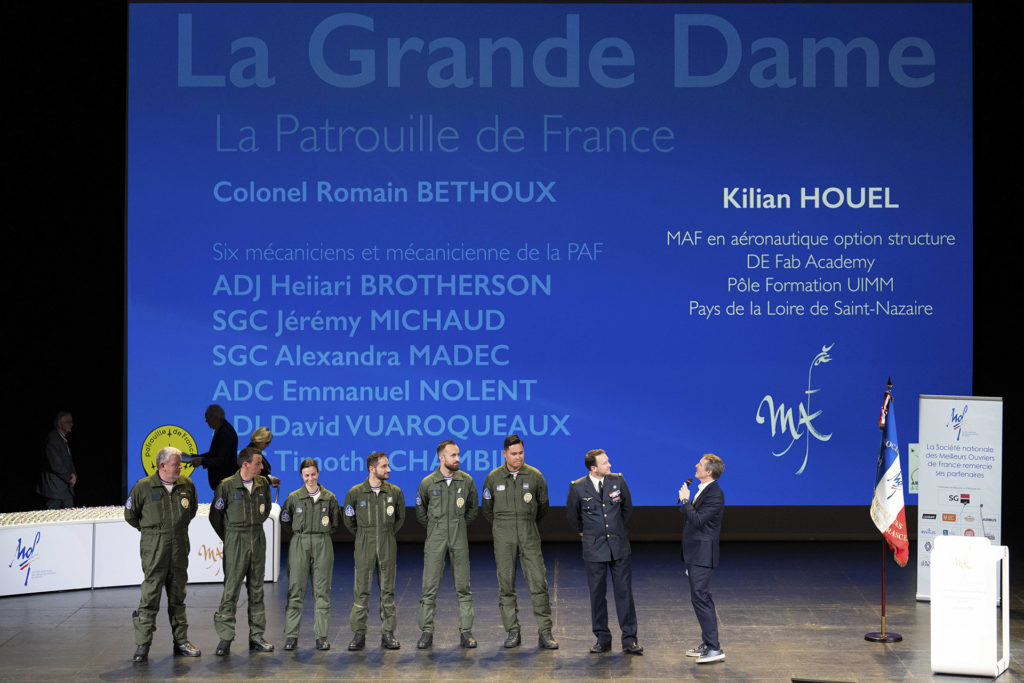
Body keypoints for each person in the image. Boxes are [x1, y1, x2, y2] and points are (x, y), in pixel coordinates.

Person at [124, 446, 201, 662]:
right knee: (150, 597)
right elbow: (130, 515)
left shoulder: (187, 485)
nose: (180, 467)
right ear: (162, 466)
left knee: (178, 595)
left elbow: (191, 510)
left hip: (178, 547)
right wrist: (151, 531)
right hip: (154, 549)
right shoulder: (144, 487)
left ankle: (181, 642)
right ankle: (142, 645)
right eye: (176, 464)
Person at [481, 434, 558, 649]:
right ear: (504, 453)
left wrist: (527, 524)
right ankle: (513, 631)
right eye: (514, 454)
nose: (518, 457)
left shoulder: (535, 476)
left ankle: (545, 632)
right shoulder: (493, 478)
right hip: (503, 535)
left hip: (528, 534)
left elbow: (543, 507)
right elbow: (487, 510)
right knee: (506, 584)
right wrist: (503, 527)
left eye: (521, 453)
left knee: (538, 583)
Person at [566, 449, 642, 655]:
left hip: (618, 546)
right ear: (593, 468)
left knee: (624, 593)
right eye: (605, 462)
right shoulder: (577, 487)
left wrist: (617, 531)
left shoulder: (617, 481)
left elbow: (627, 509)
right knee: (597, 595)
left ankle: (629, 639)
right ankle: (602, 638)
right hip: (594, 549)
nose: (609, 464)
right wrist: (588, 533)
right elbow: (573, 517)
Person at [209, 446, 274, 655]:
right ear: (245, 464)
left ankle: (257, 636)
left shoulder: (263, 484)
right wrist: (229, 537)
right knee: (231, 590)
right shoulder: (226, 486)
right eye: (258, 463)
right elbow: (215, 516)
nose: (262, 467)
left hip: (257, 537)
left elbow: (266, 509)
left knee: (257, 589)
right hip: (235, 540)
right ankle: (225, 638)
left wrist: (254, 526)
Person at [414, 440, 479, 649]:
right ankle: (426, 632)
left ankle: (466, 631)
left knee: (463, 586)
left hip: (459, 537)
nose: (457, 459)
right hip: (436, 538)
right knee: (429, 587)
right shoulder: (428, 483)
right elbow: (421, 512)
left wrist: (458, 525)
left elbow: (472, 509)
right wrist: (437, 527)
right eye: (453, 455)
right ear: (442, 458)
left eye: (458, 454)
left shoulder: (466, 481)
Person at [343, 452, 406, 651]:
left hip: (387, 542)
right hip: (364, 543)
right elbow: (349, 520)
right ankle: (359, 634)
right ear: (372, 469)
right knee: (361, 591)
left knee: (388, 590)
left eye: (388, 466)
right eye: (384, 466)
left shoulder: (395, 492)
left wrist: (386, 533)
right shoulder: (355, 493)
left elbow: (399, 519)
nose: (389, 470)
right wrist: (364, 535)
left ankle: (388, 634)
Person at [280, 458, 341, 651]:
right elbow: (285, 520)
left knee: (322, 591)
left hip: (323, 543)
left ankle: (321, 636)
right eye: (306, 475)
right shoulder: (293, 497)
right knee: (296, 590)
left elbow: (335, 522)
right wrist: (300, 535)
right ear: (301, 476)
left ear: (318, 473)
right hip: (300, 542)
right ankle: (291, 636)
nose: (310, 478)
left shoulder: (329, 497)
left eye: (313, 474)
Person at [678, 453, 726, 664]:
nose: (695, 465)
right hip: (695, 553)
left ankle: (714, 648)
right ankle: (707, 643)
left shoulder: (715, 494)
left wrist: (686, 500)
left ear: (709, 472)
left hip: (703, 555)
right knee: (698, 598)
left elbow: (698, 521)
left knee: (702, 598)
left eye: (700, 464)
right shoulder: (703, 490)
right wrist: (687, 501)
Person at [190, 405, 238, 494]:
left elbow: (222, 460)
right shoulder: (222, 430)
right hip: (223, 484)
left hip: (225, 483)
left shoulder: (225, 433)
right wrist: (200, 456)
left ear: (215, 417)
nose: (206, 421)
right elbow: (214, 454)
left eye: (207, 418)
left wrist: (202, 461)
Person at [37, 411, 76, 509]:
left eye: (71, 421)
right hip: (55, 490)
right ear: (60, 423)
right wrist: (69, 477)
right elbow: (55, 464)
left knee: (69, 520)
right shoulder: (53, 439)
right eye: (68, 421)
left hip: (65, 490)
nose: (71, 424)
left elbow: (68, 462)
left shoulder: (62, 439)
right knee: (53, 521)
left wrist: (74, 474)